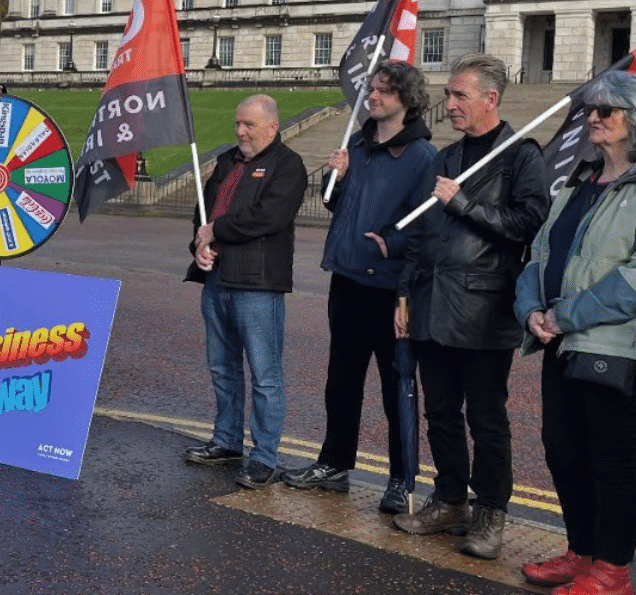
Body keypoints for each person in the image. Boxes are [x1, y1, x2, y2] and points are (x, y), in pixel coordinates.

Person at [392, 54, 548, 560]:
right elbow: (421, 232)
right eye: (450, 94)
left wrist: (464, 203)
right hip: (432, 301)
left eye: (460, 95)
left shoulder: (522, 155)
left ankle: (490, 511)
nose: (449, 103)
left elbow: (527, 224)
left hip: (484, 308)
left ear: (491, 99)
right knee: (439, 411)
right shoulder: (447, 156)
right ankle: (450, 498)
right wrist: (405, 293)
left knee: (486, 416)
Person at [283, 61, 436, 514]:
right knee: (342, 381)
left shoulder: (423, 157)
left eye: (384, 91)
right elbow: (334, 204)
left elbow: (429, 226)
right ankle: (333, 464)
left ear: (405, 100)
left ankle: (400, 479)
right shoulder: (358, 142)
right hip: (348, 278)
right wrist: (340, 177)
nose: (373, 97)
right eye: (372, 88)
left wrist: (392, 242)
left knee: (396, 386)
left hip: (392, 289)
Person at [513, 71, 636, 594]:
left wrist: (569, 315)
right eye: (591, 110)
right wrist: (532, 310)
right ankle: (581, 550)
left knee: (612, 459)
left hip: (612, 347)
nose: (593, 118)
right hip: (558, 344)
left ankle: (612, 568)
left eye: (606, 111)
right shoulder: (577, 186)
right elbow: (538, 254)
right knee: (564, 450)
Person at [183, 94, 307, 488]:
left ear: (272, 126)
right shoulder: (226, 162)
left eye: (249, 125)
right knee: (222, 368)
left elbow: (269, 217)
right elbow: (202, 214)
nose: (240, 131)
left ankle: (265, 457)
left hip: (257, 284)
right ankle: (226, 441)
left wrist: (216, 232)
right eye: (238, 123)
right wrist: (200, 247)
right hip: (216, 278)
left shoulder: (288, 166)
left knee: (265, 375)